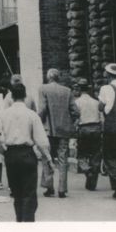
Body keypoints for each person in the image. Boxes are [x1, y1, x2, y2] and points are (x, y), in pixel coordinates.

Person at [0, 82, 54, 222]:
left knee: (16, 192)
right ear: (25, 97)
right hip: (27, 154)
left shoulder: (4, 114)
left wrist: (4, 151)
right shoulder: (32, 115)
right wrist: (48, 159)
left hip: (11, 155)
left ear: (11, 96)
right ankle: (28, 224)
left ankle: (19, 220)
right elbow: (42, 142)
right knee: (29, 193)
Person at [38, 68, 80, 198]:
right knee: (63, 159)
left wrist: (39, 122)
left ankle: (49, 187)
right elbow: (75, 111)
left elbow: (43, 109)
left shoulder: (43, 89)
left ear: (48, 77)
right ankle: (62, 189)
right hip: (64, 130)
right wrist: (70, 122)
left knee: (47, 157)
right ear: (58, 77)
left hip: (49, 130)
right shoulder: (67, 91)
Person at [98, 63, 116, 200]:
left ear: (108, 75)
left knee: (110, 158)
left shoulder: (106, 88)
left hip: (111, 128)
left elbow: (101, 106)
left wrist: (104, 108)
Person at [72, 78, 102, 190]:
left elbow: (75, 118)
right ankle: (92, 184)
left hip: (83, 129)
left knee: (82, 154)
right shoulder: (96, 102)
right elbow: (101, 118)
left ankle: (86, 169)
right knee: (95, 155)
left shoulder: (77, 102)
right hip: (96, 128)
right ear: (88, 89)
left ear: (79, 89)